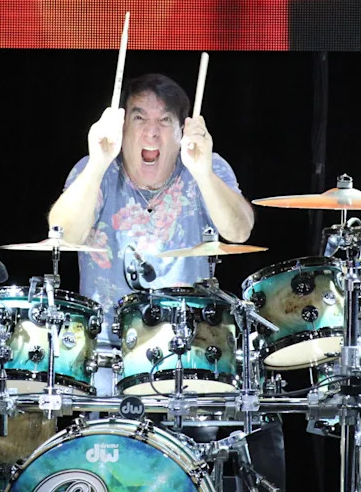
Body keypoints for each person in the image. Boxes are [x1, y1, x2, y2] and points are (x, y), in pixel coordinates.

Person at [48, 73, 285, 491]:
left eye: (165, 121)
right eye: (139, 118)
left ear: (181, 132)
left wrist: (203, 171)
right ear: (122, 126)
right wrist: (99, 161)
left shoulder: (206, 168)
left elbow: (240, 230)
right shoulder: (94, 170)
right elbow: (62, 231)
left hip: (189, 357)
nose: (151, 133)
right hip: (105, 356)